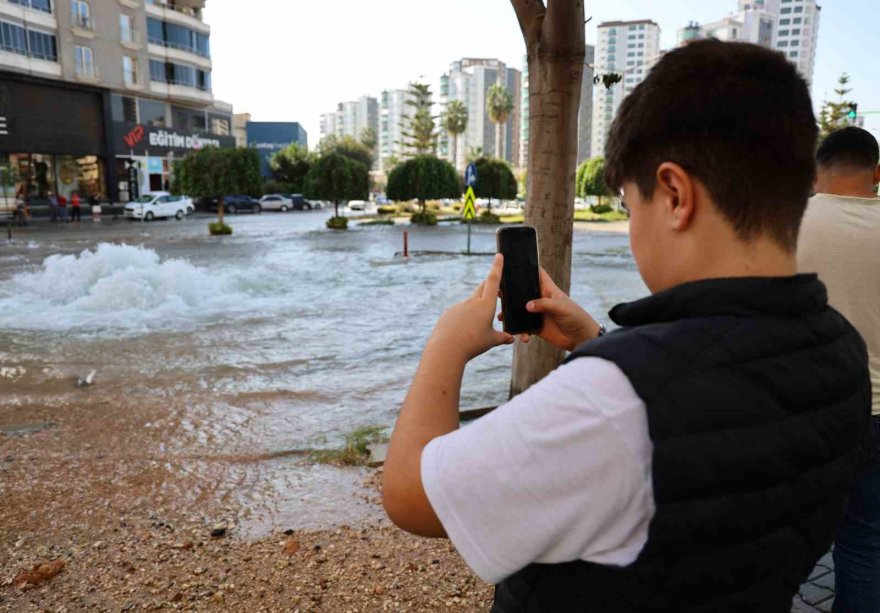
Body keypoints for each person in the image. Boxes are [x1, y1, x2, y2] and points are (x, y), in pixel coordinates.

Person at [382, 39, 872, 612]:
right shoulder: (841, 348)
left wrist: (448, 343)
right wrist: (598, 344)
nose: (631, 222)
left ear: (673, 194)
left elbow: (411, 496)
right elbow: (707, 424)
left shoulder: (613, 401)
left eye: (627, 203)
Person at [798, 127, 880, 613]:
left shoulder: (783, 222)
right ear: (876, 173)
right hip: (877, 415)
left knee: (771, 541)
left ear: (814, 171)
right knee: (865, 546)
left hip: (803, 413)